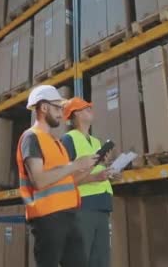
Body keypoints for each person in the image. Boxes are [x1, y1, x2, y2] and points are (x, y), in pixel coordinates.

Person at [16, 85, 97, 267]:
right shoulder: (31, 138)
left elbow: (66, 179)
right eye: (57, 107)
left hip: (68, 216)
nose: (62, 113)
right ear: (44, 108)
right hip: (48, 219)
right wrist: (74, 165)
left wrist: (88, 166)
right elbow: (39, 180)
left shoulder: (55, 142)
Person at [61, 97, 115, 267]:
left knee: (100, 262)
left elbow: (95, 171)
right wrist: (94, 177)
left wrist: (108, 171)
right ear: (75, 113)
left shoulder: (96, 142)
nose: (90, 109)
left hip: (102, 207)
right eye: (86, 108)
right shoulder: (68, 140)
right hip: (82, 208)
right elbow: (64, 180)